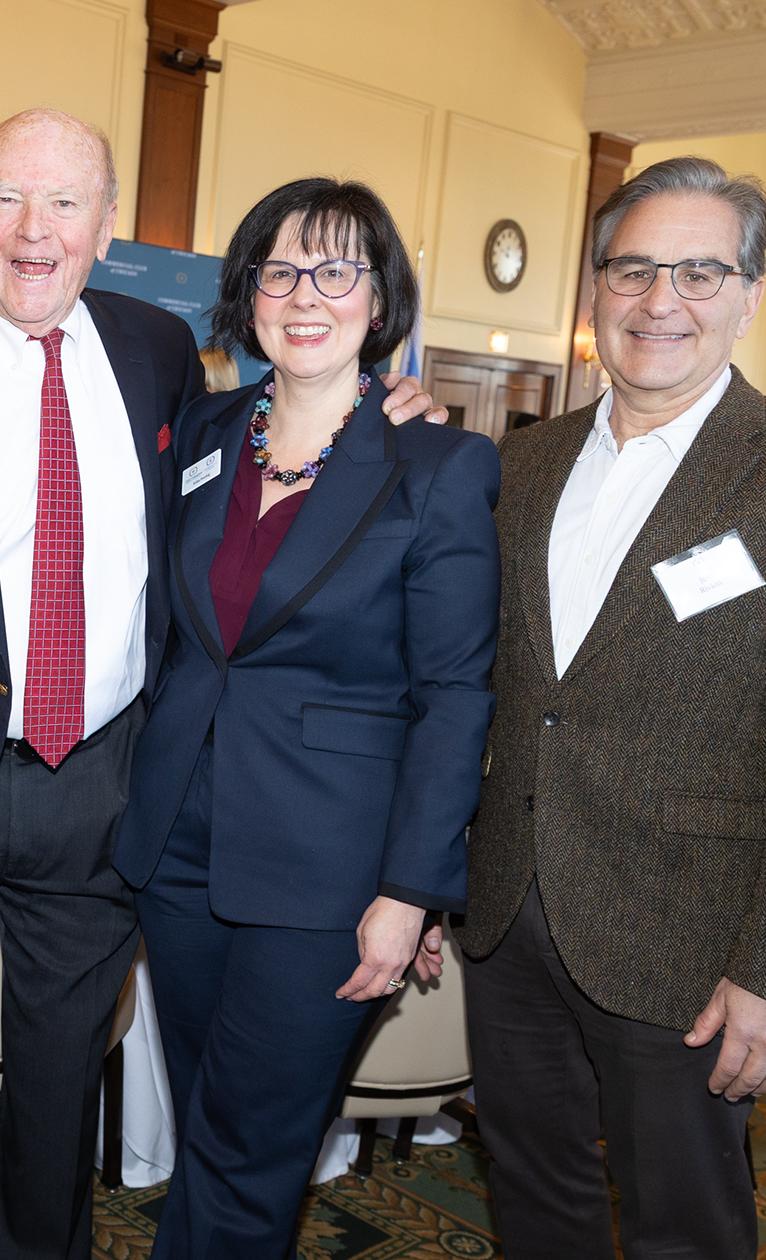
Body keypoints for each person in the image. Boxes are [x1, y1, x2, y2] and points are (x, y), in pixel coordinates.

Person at [0, 108, 442, 1260]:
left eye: (63, 204)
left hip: (105, 792)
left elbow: (263, 477)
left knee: (56, 1106)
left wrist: (389, 413)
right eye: (5, 199)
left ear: (106, 223)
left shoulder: (154, 355)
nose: (33, 233)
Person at [447, 156, 766, 1258]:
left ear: (749, 295)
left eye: (700, 271)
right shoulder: (520, 463)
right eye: (633, 268)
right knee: (533, 1197)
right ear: (592, 290)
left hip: (691, 945)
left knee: (684, 1227)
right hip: (508, 914)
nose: (661, 301)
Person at [111, 179, 499, 1259]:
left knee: (250, 1146)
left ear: (378, 300)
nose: (305, 294)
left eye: (336, 270)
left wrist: (411, 890)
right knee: (208, 1125)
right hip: (178, 847)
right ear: (246, 295)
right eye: (278, 270)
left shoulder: (439, 464)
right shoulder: (203, 431)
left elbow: (454, 693)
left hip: (329, 873)